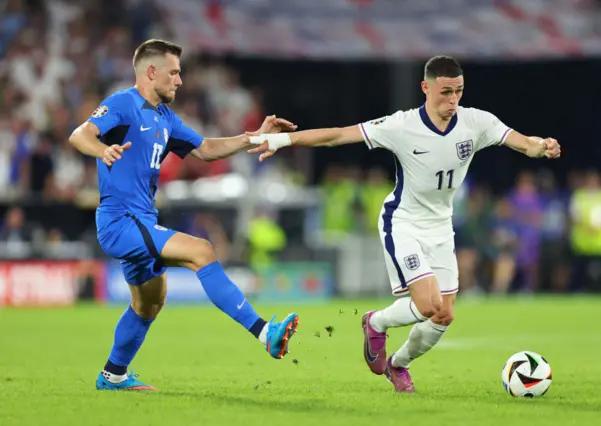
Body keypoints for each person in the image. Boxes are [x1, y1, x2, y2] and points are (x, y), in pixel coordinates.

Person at [248, 56, 561, 393]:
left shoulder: (476, 122)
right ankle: (376, 322)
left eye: (458, 91)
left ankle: (398, 365)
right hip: (404, 223)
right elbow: (338, 136)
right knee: (429, 305)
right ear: (425, 88)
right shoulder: (401, 126)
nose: (452, 100)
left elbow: (522, 142)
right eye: (445, 92)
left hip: (441, 227)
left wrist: (540, 146)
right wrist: (282, 141)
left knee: (444, 316)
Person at [68, 39, 299, 391]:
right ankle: (265, 332)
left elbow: (206, 149)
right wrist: (103, 150)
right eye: (174, 72)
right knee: (200, 250)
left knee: (148, 304)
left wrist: (255, 138)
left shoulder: (165, 118)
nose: (179, 80)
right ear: (151, 72)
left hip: (141, 220)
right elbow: (80, 134)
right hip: (121, 221)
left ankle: (113, 375)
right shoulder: (123, 104)